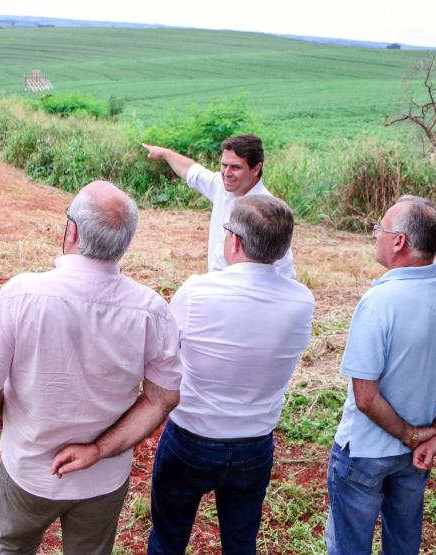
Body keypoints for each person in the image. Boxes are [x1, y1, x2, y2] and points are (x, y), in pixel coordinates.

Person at [0, 180, 182, 555]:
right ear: (125, 242)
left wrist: (0, 412)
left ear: (73, 230)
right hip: (102, 478)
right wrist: (98, 450)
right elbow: (162, 399)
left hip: (29, 469)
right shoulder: (151, 309)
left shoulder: (21, 293)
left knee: (11, 546)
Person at [147, 196, 315, 555]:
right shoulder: (302, 302)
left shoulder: (198, 291)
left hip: (191, 436)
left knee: (168, 539)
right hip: (254, 442)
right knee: (240, 544)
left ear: (234, 241)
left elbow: (164, 354)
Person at [325, 196, 436, 555]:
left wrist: (411, 435)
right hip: (417, 453)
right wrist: (435, 433)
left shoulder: (379, 302)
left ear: (399, 241)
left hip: (366, 451)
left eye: (380, 228)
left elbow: (365, 396)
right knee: (403, 542)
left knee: (349, 545)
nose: (375, 234)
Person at [142, 134, 295, 278]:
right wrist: (165, 153)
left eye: (235, 167)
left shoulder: (269, 212)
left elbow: (284, 270)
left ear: (256, 168)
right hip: (216, 290)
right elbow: (192, 171)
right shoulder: (221, 187)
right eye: (224, 165)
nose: (226, 173)